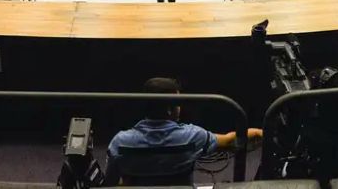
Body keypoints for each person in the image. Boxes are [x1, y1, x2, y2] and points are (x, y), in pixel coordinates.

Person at [106, 77, 262, 186]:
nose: (180, 108)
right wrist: (261, 133)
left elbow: (109, 182)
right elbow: (229, 140)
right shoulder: (192, 137)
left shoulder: (119, 142)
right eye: (177, 103)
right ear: (169, 110)